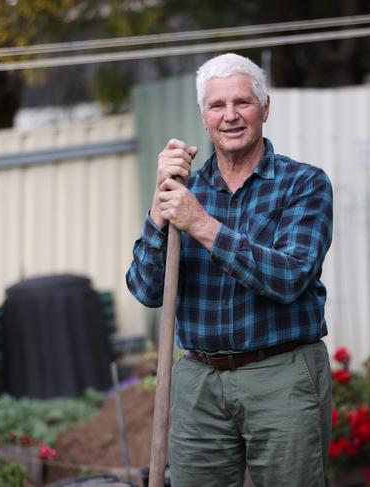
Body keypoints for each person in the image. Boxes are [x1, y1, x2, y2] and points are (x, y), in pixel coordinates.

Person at [126, 52, 333, 487]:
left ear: (265, 108)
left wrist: (201, 224)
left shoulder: (304, 184)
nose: (231, 116)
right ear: (204, 116)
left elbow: (289, 276)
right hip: (199, 380)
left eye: (242, 103)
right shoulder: (184, 191)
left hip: (281, 374)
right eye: (217, 106)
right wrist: (160, 211)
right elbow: (146, 288)